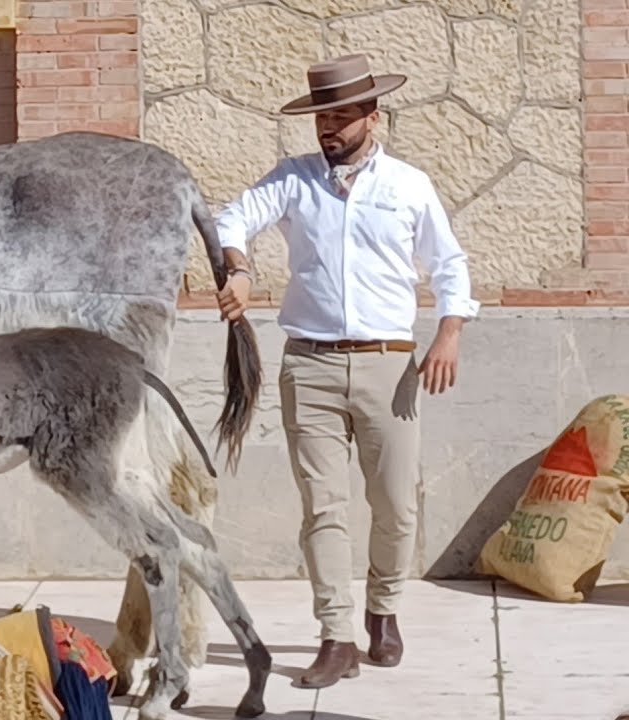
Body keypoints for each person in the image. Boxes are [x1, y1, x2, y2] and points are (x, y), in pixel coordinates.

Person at [212, 53, 479, 689]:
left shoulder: (409, 186)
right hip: (309, 365)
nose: (327, 128)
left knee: (395, 508)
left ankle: (382, 612)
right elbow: (233, 218)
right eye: (320, 117)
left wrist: (448, 333)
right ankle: (336, 637)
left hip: (391, 367)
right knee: (323, 508)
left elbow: (449, 266)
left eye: (339, 116)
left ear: (371, 117)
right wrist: (241, 269)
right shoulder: (293, 180)